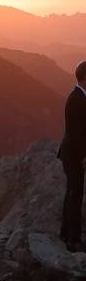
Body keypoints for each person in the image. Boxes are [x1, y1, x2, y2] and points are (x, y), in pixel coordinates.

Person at [58, 60, 86, 252]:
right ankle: (72, 240)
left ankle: (66, 233)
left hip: (72, 154)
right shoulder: (76, 100)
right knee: (75, 195)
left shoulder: (79, 97)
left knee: (72, 194)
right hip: (74, 155)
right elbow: (76, 133)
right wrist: (83, 157)